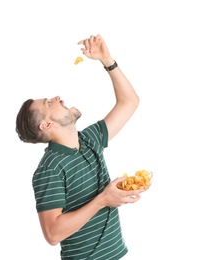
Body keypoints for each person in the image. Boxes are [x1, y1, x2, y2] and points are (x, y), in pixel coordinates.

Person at [15, 34, 143, 260]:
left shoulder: (90, 139)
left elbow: (130, 102)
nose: (56, 97)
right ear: (47, 125)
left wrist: (107, 60)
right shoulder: (50, 169)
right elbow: (52, 234)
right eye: (48, 103)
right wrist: (104, 199)